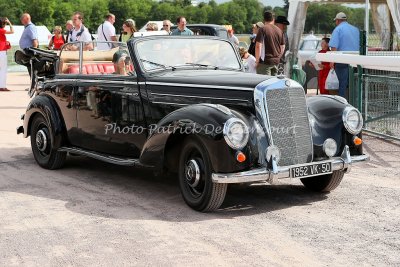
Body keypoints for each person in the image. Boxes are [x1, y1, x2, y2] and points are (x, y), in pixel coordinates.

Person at [329, 12, 360, 98]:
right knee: (354, 85)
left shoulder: (338, 29)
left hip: (342, 61)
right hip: (356, 61)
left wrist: (332, 61)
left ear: (338, 21)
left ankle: (342, 106)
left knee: (341, 86)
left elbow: (334, 47)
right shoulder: (355, 29)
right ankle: (355, 104)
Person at [255, 11, 285, 76]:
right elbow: (282, 47)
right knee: (273, 84)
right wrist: (278, 57)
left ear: (264, 19)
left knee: (264, 84)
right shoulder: (279, 30)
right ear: (273, 19)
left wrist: (257, 61)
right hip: (276, 62)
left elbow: (258, 46)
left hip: (265, 62)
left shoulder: (262, 29)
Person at [0, 17, 14, 92]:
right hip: (1, 51)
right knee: (3, 69)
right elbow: (12, 31)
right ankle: (2, 86)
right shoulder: (1, 30)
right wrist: (9, 23)